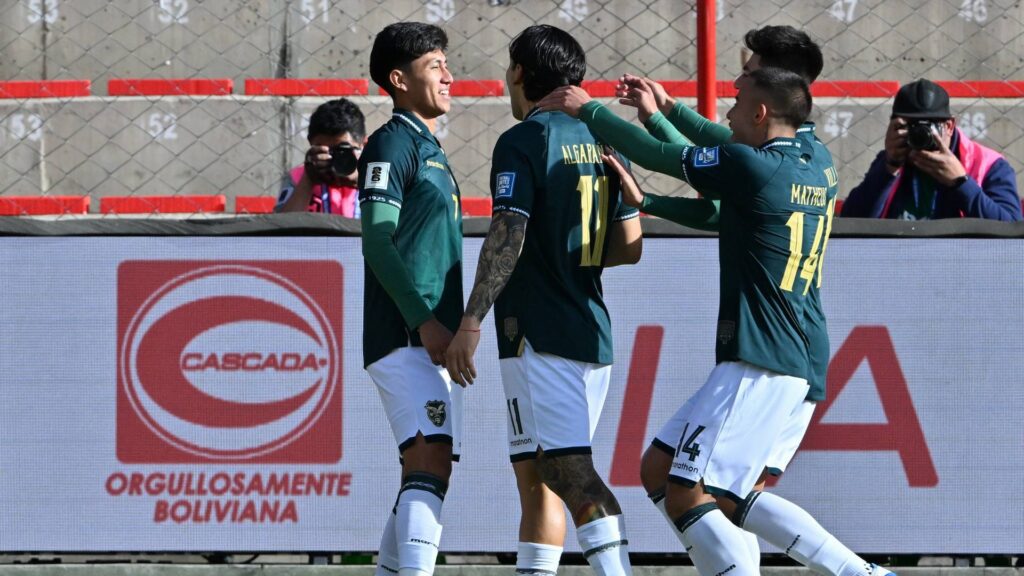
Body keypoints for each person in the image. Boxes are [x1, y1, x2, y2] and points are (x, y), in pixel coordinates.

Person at [537, 67, 894, 576]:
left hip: (762, 356)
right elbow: (720, 206)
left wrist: (588, 109)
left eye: (736, 100)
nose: (725, 114)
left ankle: (852, 574)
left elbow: (668, 158)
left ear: (761, 112)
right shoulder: (816, 160)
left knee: (691, 492)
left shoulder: (755, 167)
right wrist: (663, 128)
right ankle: (859, 573)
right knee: (667, 472)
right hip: (796, 351)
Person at [444, 25, 642, 576]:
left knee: (571, 474)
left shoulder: (524, 140)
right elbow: (628, 251)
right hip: (587, 329)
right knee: (539, 474)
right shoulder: (602, 137)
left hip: (539, 333)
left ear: (520, 74)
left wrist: (471, 320)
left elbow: (508, 231)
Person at [359, 22, 463, 576]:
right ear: (398, 80)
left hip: (430, 338)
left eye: (447, 62)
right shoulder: (392, 142)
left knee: (426, 467)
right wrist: (423, 321)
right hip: (407, 335)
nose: (448, 74)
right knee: (430, 459)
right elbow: (376, 237)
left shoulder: (427, 146)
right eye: (434, 65)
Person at [842, 78, 1021, 220]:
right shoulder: (892, 160)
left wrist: (961, 183)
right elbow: (851, 221)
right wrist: (888, 168)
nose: (922, 134)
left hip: (961, 261)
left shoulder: (987, 165)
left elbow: (1010, 230)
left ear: (950, 126)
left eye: (930, 125)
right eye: (912, 125)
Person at [275, 98, 366, 217]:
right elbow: (283, 229)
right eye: (325, 150)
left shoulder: (380, 177)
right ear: (311, 144)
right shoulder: (297, 177)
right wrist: (308, 180)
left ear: (363, 144)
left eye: (342, 150)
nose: (332, 157)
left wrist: (363, 181)